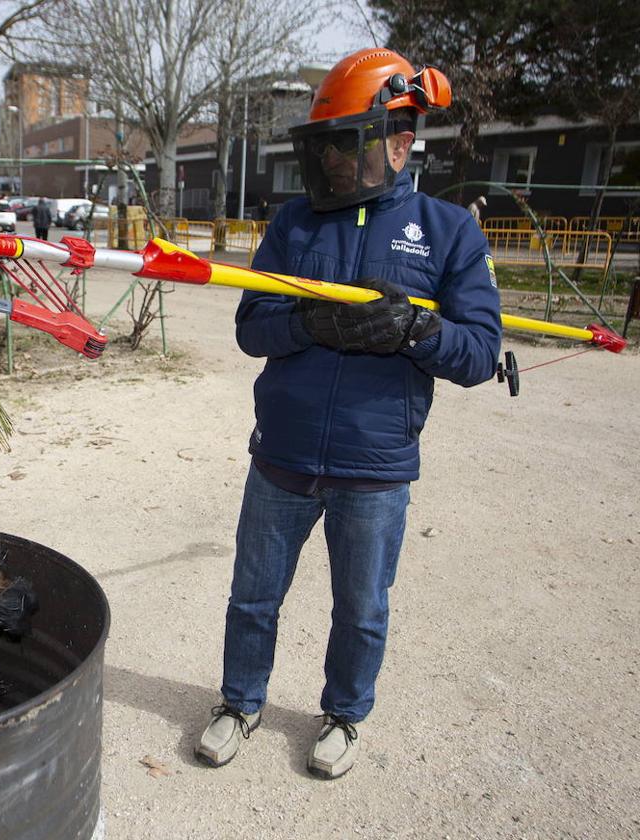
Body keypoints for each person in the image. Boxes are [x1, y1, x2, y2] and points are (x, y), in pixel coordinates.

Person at [196, 48, 502, 780]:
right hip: (282, 455)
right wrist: (308, 324)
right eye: (324, 147)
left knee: (361, 608)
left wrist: (417, 332)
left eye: (348, 146)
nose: (334, 162)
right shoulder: (296, 224)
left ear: (399, 140)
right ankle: (240, 702)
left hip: (375, 466)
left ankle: (343, 715)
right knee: (253, 594)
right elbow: (249, 327)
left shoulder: (446, 231)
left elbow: (481, 350)